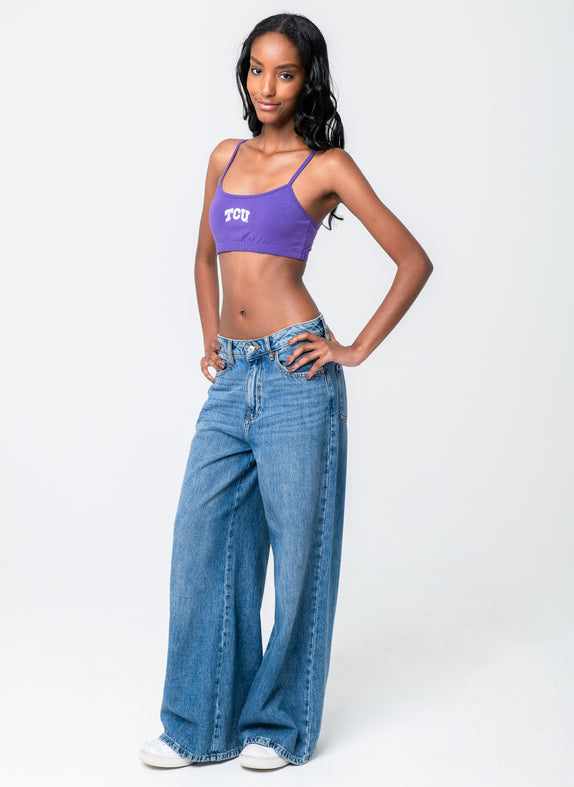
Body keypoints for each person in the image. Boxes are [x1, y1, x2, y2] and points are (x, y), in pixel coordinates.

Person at [139, 12, 433, 771]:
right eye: (256, 69)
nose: (266, 87)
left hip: (298, 377)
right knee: (201, 544)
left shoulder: (326, 166)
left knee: (300, 557)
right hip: (233, 376)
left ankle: (277, 726)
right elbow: (203, 257)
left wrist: (352, 349)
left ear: (308, 81)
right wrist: (211, 338)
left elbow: (413, 260)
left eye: (285, 73)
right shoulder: (225, 156)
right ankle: (197, 725)